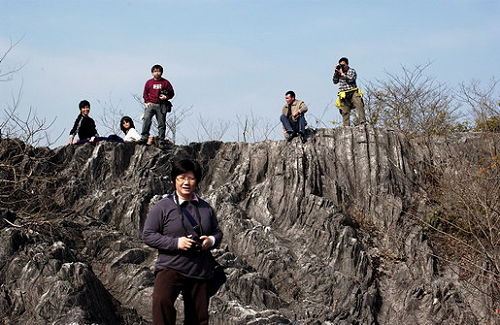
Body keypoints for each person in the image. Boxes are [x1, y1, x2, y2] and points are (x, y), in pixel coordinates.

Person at [143, 158, 223, 325]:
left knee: (198, 318)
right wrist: (176, 243)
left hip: (199, 268)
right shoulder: (162, 206)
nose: (186, 182)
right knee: (161, 303)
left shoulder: (205, 208)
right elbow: (148, 234)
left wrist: (210, 240)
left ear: (197, 181)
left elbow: (218, 232)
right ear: (174, 181)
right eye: (181, 178)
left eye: (191, 178)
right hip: (170, 266)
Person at [141, 64, 175, 145]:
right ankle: (144, 137)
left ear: (161, 72)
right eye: (155, 71)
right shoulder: (149, 82)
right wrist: (147, 101)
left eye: (159, 71)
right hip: (151, 104)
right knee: (146, 119)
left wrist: (166, 97)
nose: (157, 73)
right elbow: (145, 93)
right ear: (152, 73)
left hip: (161, 104)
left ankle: (161, 138)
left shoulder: (165, 82)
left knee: (161, 122)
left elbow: (172, 93)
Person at [332, 57, 366, 126]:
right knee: (344, 111)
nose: (342, 67)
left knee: (359, 105)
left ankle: (362, 122)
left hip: (352, 91)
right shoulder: (339, 72)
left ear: (347, 64)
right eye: (341, 65)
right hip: (343, 94)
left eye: (343, 65)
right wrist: (336, 73)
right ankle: (346, 126)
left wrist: (342, 74)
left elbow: (350, 79)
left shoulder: (351, 71)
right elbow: (335, 81)